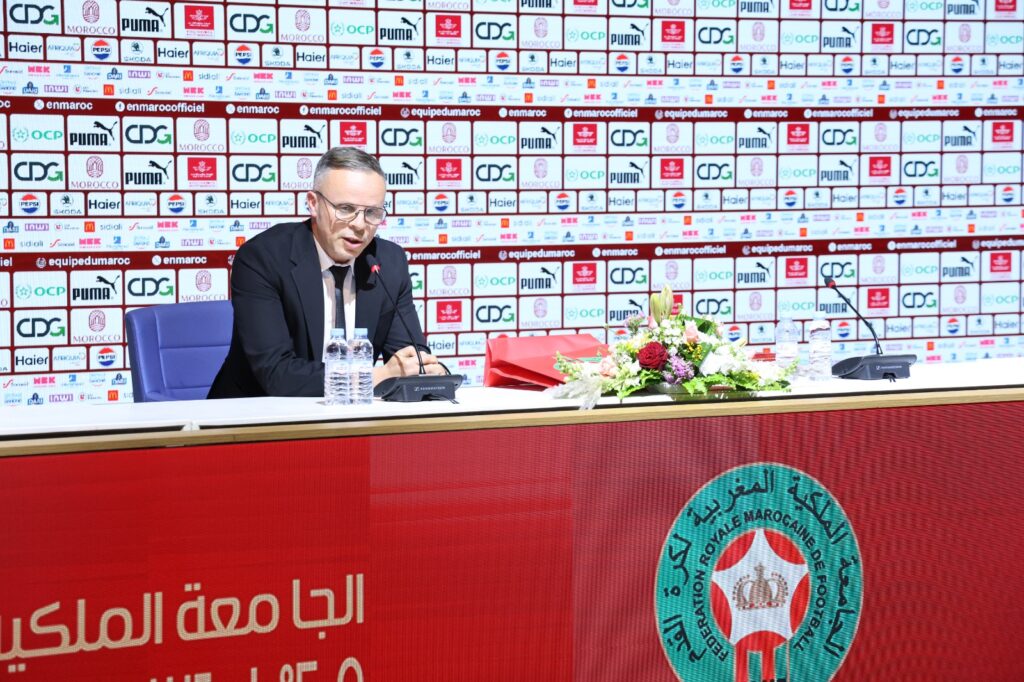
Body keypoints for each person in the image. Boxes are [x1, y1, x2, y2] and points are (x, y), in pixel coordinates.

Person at [208, 147, 444, 398]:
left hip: (354, 416)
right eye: (346, 208)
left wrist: (426, 370)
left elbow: (410, 357)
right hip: (256, 413)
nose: (360, 225)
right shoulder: (264, 258)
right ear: (313, 204)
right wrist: (374, 376)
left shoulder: (388, 262)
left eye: (372, 212)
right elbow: (276, 373)